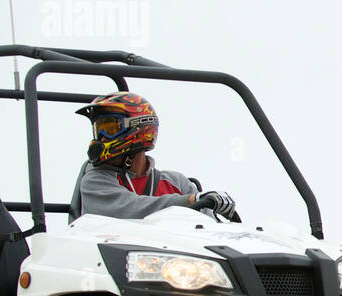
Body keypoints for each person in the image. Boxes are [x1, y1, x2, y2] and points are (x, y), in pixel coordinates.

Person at [68, 92, 236, 221]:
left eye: (110, 129)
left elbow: (206, 227)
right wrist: (192, 200)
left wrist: (216, 204)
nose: (102, 138)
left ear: (137, 129)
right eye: (99, 130)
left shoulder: (177, 183)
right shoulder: (95, 181)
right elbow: (132, 210)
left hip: (174, 262)